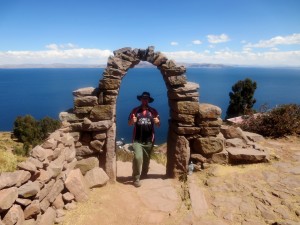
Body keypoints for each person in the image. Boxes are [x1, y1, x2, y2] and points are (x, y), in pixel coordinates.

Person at [128, 91, 160, 187]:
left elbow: (158, 125)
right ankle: (136, 178)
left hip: (149, 141)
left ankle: (144, 172)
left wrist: (157, 122)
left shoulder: (153, 111)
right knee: (138, 158)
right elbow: (129, 123)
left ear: (149, 100)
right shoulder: (135, 111)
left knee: (146, 160)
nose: (145, 100)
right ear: (141, 99)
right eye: (143, 98)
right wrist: (132, 121)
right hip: (137, 140)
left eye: (146, 99)